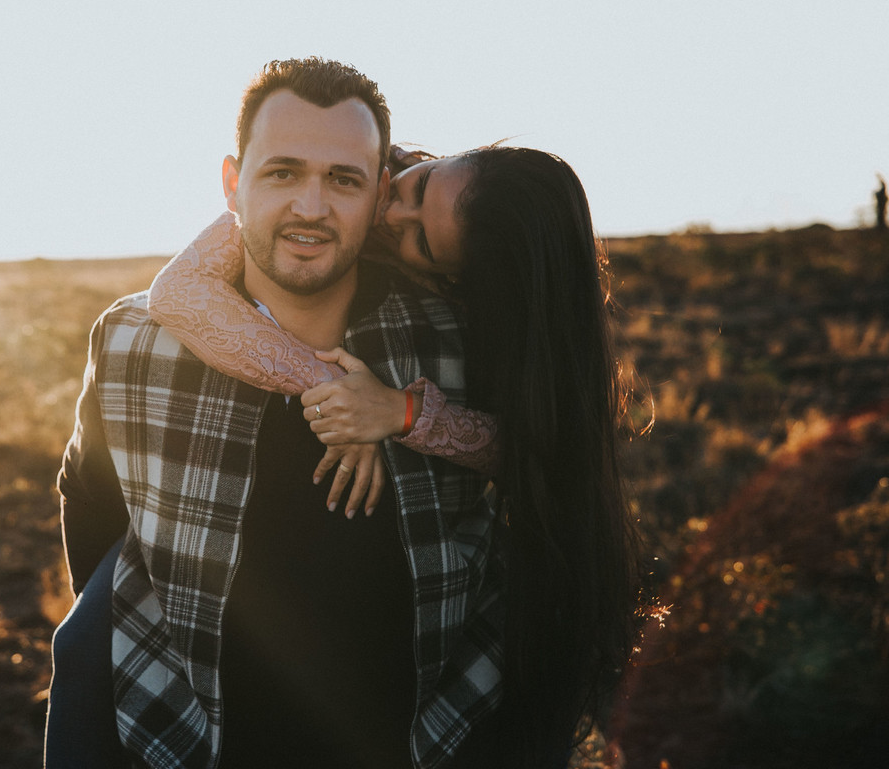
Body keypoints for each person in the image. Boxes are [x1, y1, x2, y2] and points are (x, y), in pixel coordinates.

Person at [49, 57, 499, 769]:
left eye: (343, 180)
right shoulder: (138, 341)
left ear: (381, 193)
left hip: (413, 741)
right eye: (282, 172)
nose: (311, 208)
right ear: (233, 182)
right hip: (188, 736)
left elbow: (533, 478)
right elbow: (96, 511)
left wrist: (407, 414)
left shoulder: (450, 345)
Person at [145, 143, 644, 767]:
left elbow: (545, 456)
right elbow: (177, 293)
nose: (390, 215)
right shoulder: (352, 162)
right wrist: (336, 395)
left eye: (421, 244)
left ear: (451, 277)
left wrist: (402, 413)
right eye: (417, 185)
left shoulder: (484, 317)